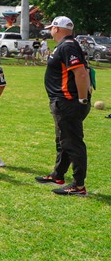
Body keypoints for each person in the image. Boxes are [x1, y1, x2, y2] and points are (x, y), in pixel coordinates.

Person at [35, 16, 91, 196]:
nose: (50, 31)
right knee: (63, 140)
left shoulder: (67, 45)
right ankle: (58, 175)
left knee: (72, 142)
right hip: (62, 102)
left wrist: (82, 99)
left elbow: (81, 74)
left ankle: (78, 186)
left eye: (51, 28)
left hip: (68, 102)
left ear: (57, 29)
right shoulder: (67, 45)